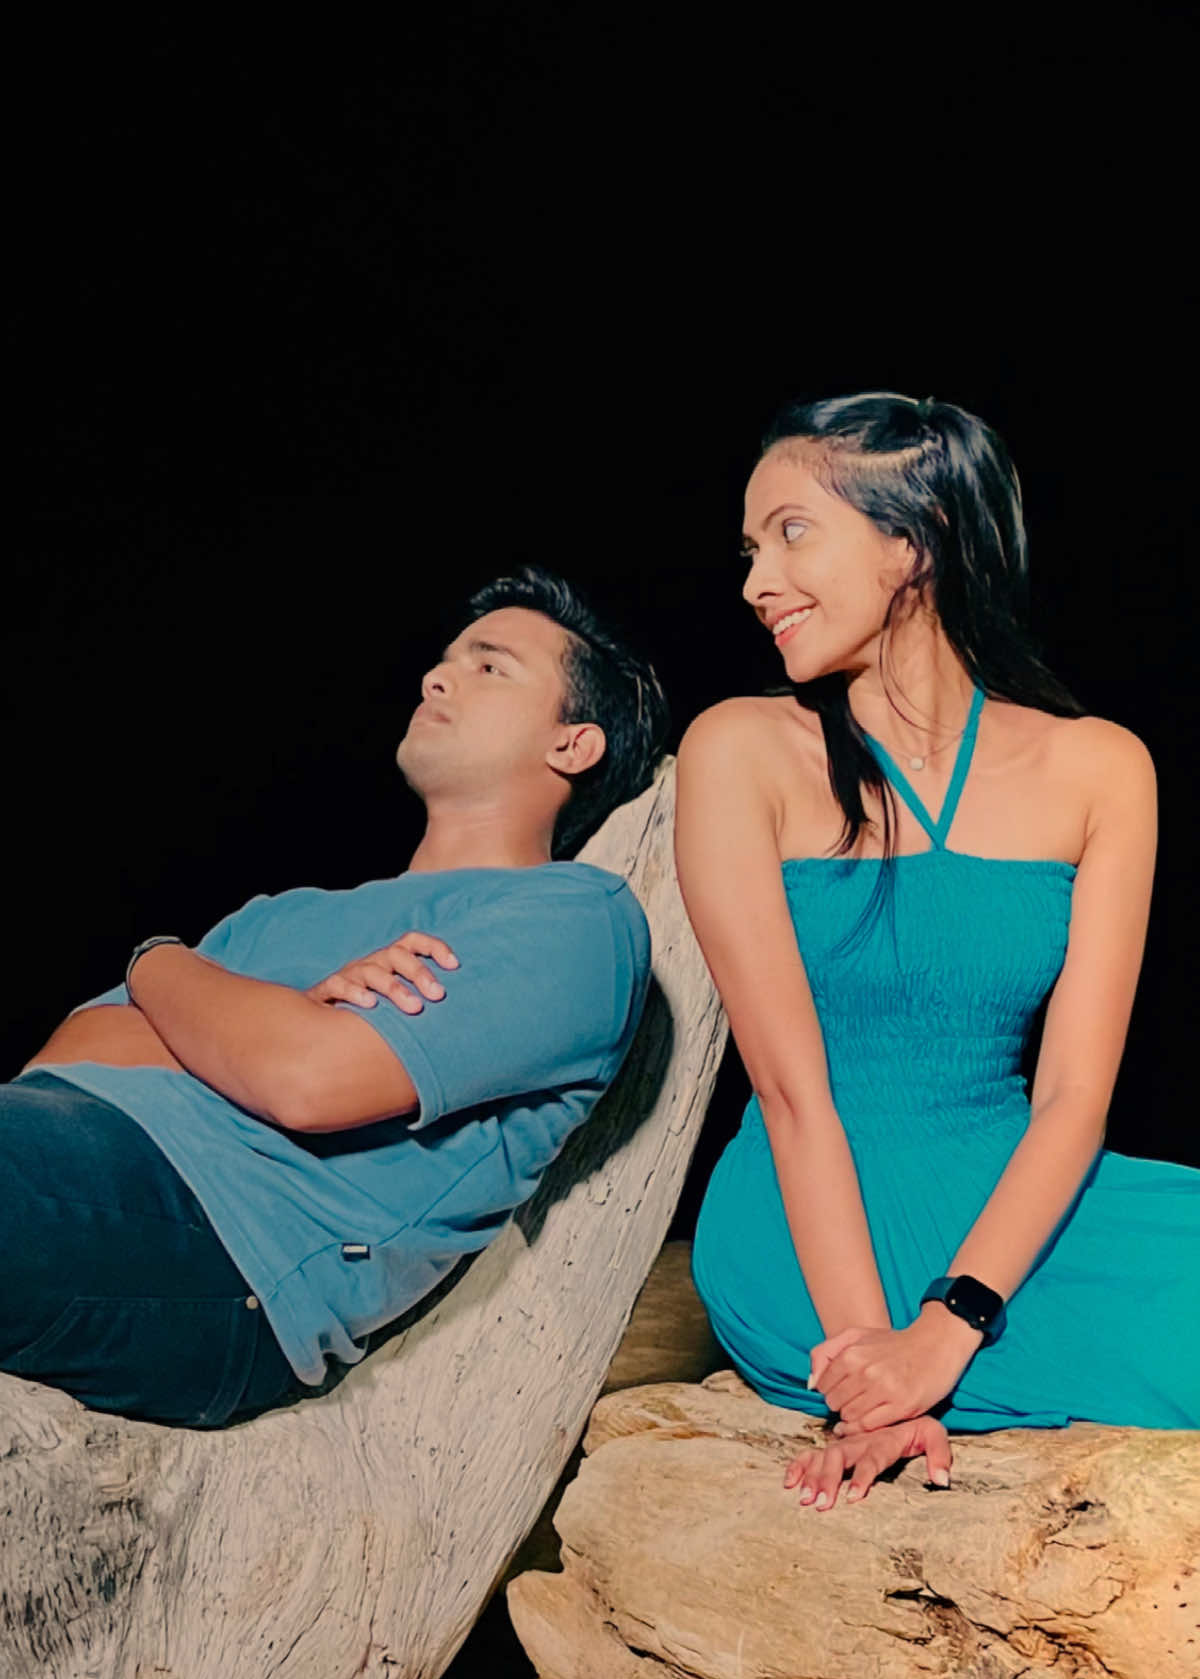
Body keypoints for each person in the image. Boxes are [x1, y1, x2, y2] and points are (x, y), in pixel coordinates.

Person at [675, 392, 1199, 1511]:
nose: (758, 580)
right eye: (751, 548)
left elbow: (1073, 1099)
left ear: (913, 543)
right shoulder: (739, 749)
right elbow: (791, 1094)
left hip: (1019, 1209)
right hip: (810, 1227)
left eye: (792, 533)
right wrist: (876, 1365)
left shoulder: (1103, 768)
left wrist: (949, 1327)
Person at [3, 566, 669, 1429]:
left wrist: (172, 979)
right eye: (445, 661)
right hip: (61, 1140)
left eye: (489, 665)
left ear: (573, 745)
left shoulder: (574, 919)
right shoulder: (282, 914)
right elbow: (68, 1054)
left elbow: (304, 1081)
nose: (438, 677)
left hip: (226, 1243)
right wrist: (195, 982)